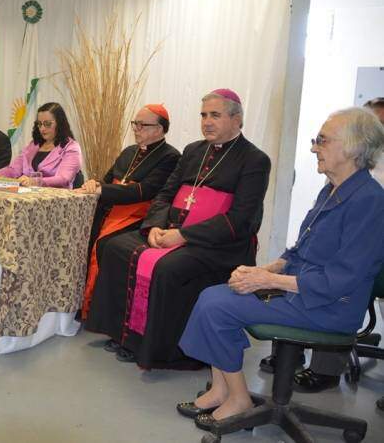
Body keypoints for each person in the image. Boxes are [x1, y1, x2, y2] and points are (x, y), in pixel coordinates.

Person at [177, 107, 384, 430]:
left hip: (329, 306)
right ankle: (221, 389)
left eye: (322, 140)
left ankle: (239, 399)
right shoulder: (332, 188)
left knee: (219, 307)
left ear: (353, 147)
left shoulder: (369, 201)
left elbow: (339, 280)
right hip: (304, 291)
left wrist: (268, 279)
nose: (314, 148)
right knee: (212, 294)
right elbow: (301, 248)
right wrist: (265, 270)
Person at [84, 89, 271, 369]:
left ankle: (163, 350)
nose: (207, 122)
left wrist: (183, 235)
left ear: (236, 119)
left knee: (168, 268)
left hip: (217, 243)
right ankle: (124, 335)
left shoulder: (255, 159)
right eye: (203, 115)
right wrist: (154, 226)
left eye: (215, 115)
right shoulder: (194, 151)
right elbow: (165, 194)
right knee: (115, 247)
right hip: (174, 230)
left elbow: (242, 219)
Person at [76, 104, 181, 319]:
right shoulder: (129, 152)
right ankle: (77, 302)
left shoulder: (170, 156)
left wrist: (103, 189)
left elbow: (145, 191)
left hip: (137, 215)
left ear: (159, 129)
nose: (136, 129)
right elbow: (106, 180)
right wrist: (94, 183)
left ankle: (95, 310)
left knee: (104, 244)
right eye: (135, 124)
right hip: (111, 207)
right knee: (81, 234)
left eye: (143, 125)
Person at [0, 102, 81, 187]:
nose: (42, 129)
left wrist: (35, 181)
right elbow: (13, 170)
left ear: (60, 123)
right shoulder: (34, 145)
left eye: (47, 124)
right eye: (39, 124)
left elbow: (64, 178)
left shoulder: (71, 147)